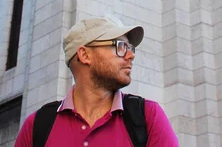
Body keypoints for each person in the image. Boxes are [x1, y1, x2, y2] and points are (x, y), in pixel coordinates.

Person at [14, 16, 179, 146]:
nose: (131, 55)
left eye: (130, 48)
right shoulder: (37, 126)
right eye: (120, 46)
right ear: (85, 55)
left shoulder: (148, 117)